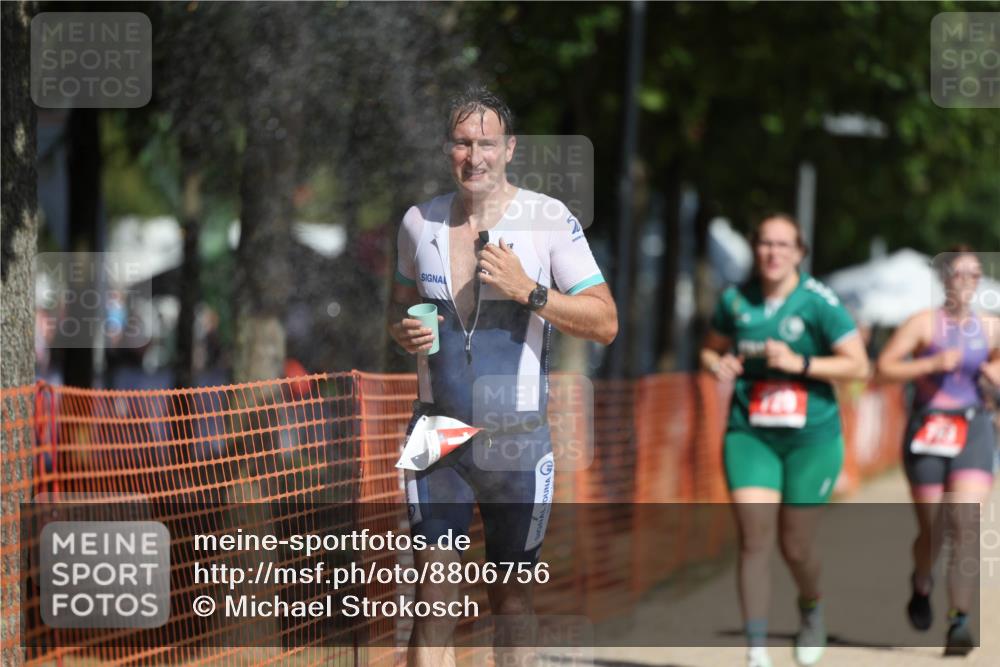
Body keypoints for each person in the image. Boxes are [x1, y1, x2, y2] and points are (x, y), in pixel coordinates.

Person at [387, 86, 617, 667]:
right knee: (432, 600)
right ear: (448, 149)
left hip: (517, 437)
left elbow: (606, 322)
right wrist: (402, 332)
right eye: (463, 144)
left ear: (509, 148)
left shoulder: (548, 220)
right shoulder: (419, 223)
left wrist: (529, 291)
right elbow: (397, 308)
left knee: (510, 601)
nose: (475, 156)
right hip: (437, 434)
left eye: (487, 143)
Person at [700, 213, 869, 667]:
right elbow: (711, 346)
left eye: (783, 245)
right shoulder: (736, 299)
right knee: (755, 540)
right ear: (755, 249)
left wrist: (802, 365)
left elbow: (859, 365)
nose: (773, 252)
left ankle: (811, 605)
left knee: (796, 546)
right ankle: (757, 652)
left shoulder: (819, 303)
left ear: (799, 252)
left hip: (811, 439)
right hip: (750, 433)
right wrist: (717, 363)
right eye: (765, 244)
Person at [875, 246, 1000, 656]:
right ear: (944, 279)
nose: (965, 282)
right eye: (958, 274)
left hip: (974, 429)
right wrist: (929, 365)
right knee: (934, 530)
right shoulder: (922, 324)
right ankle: (921, 580)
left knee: (965, 524)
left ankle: (958, 621)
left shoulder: (989, 326)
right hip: (928, 428)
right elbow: (884, 368)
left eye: (973, 275)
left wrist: (993, 374)